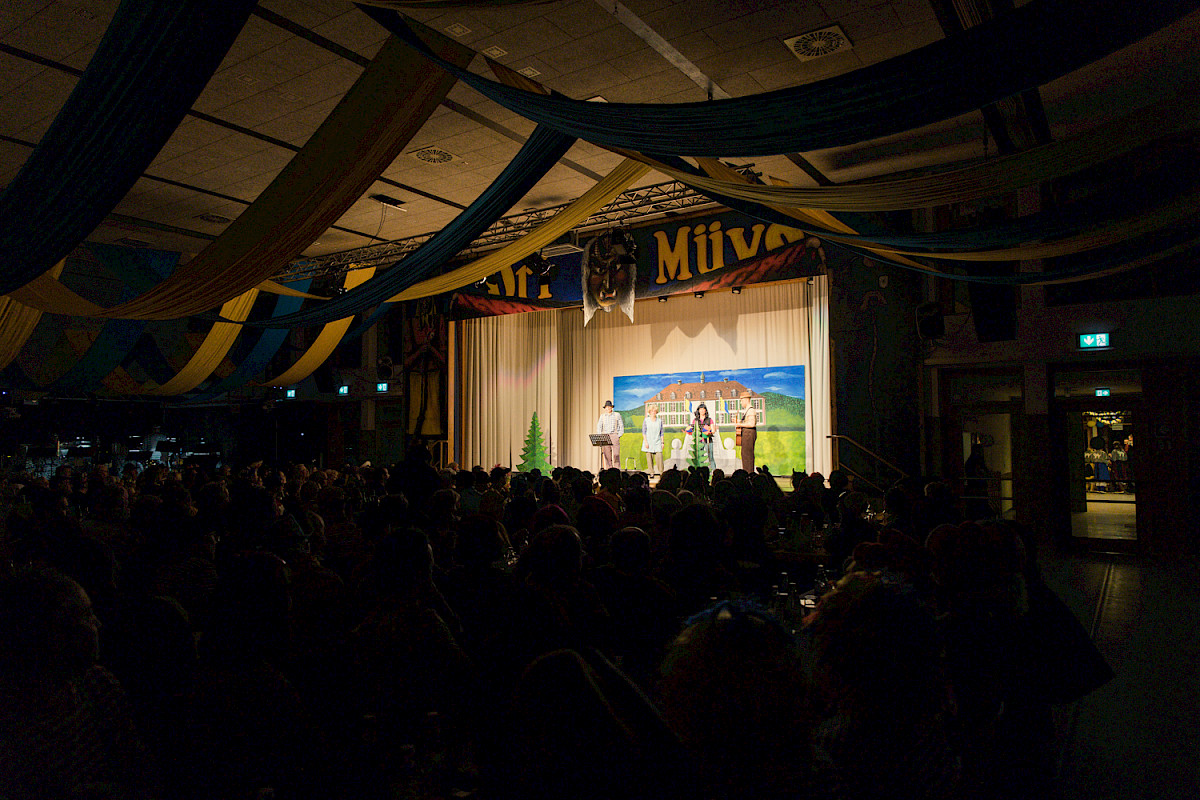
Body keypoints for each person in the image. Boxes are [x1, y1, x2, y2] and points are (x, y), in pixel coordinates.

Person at [684, 404, 718, 469]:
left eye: (703, 409)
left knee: (710, 457)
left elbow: (713, 430)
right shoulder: (695, 420)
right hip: (698, 441)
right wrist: (688, 430)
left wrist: (709, 431)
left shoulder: (709, 420)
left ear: (705, 410)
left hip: (707, 441)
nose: (702, 411)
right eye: (700, 409)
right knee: (700, 458)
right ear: (698, 410)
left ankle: (714, 471)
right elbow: (692, 429)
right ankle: (700, 472)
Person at [596, 400, 624, 470]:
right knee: (607, 455)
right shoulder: (602, 416)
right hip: (605, 436)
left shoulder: (617, 415)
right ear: (605, 408)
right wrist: (600, 436)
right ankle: (609, 471)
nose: (608, 408)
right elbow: (599, 426)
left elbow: (621, 426)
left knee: (616, 455)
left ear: (612, 407)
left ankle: (617, 470)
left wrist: (618, 435)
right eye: (606, 407)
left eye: (609, 407)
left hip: (614, 435)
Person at [734, 394, 757, 473]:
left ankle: (749, 473)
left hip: (749, 434)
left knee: (748, 456)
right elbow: (747, 421)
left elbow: (751, 424)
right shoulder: (748, 410)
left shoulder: (750, 410)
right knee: (745, 455)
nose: (741, 403)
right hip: (746, 434)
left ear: (746, 400)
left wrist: (739, 424)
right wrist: (739, 421)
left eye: (742, 400)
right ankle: (747, 472)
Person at [641, 403, 664, 476]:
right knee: (649, 459)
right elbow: (644, 432)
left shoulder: (659, 421)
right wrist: (646, 442)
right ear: (649, 412)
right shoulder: (646, 420)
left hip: (657, 441)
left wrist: (662, 442)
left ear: (656, 412)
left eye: (654, 411)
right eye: (651, 411)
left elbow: (661, 432)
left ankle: (661, 472)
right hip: (649, 441)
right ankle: (651, 472)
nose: (653, 412)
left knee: (659, 458)